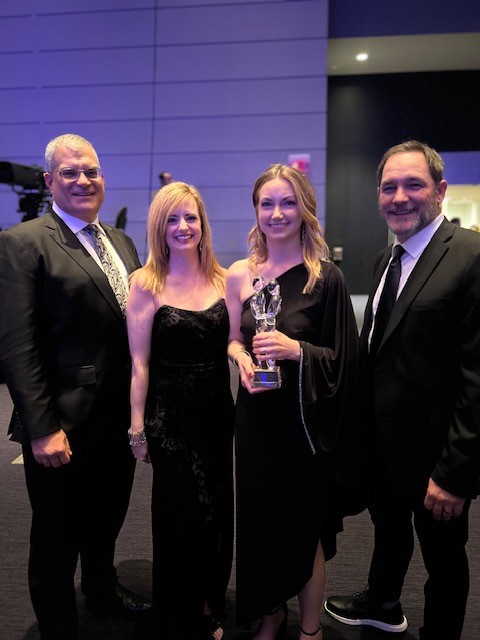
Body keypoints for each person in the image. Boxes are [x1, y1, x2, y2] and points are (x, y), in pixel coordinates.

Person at [324, 140, 480, 640]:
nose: (399, 197)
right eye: (389, 187)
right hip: (385, 448)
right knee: (389, 534)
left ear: (440, 190)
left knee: (445, 562)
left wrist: (455, 475)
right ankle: (383, 603)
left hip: (437, 458)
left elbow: (478, 378)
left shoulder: (471, 256)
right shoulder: (385, 260)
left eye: (413, 184)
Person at [0, 133, 149, 640]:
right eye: (70, 173)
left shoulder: (121, 241)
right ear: (49, 182)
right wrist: (41, 429)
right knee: (55, 538)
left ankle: (102, 592)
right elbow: (18, 346)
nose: (84, 180)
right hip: (61, 425)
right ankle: (57, 625)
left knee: (107, 518)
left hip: (117, 422)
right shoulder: (22, 242)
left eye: (91, 171)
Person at [225, 164, 362, 640]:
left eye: (288, 203)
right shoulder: (241, 273)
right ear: (256, 211)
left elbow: (346, 362)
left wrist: (295, 350)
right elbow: (232, 338)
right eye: (267, 203)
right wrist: (242, 358)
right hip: (256, 419)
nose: (277, 213)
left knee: (304, 528)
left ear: (305, 210)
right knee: (260, 523)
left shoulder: (327, 280)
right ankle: (269, 614)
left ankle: (309, 629)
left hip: (305, 425)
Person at [126, 181, 234, 640]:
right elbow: (139, 361)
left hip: (216, 416)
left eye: (190, 217)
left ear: (203, 224)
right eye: (172, 219)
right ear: (159, 227)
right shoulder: (145, 283)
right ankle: (178, 610)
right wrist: (137, 428)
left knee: (216, 513)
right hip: (169, 421)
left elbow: (235, 342)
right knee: (178, 519)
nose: (183, 226)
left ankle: (211, 598)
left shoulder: (226, 279)